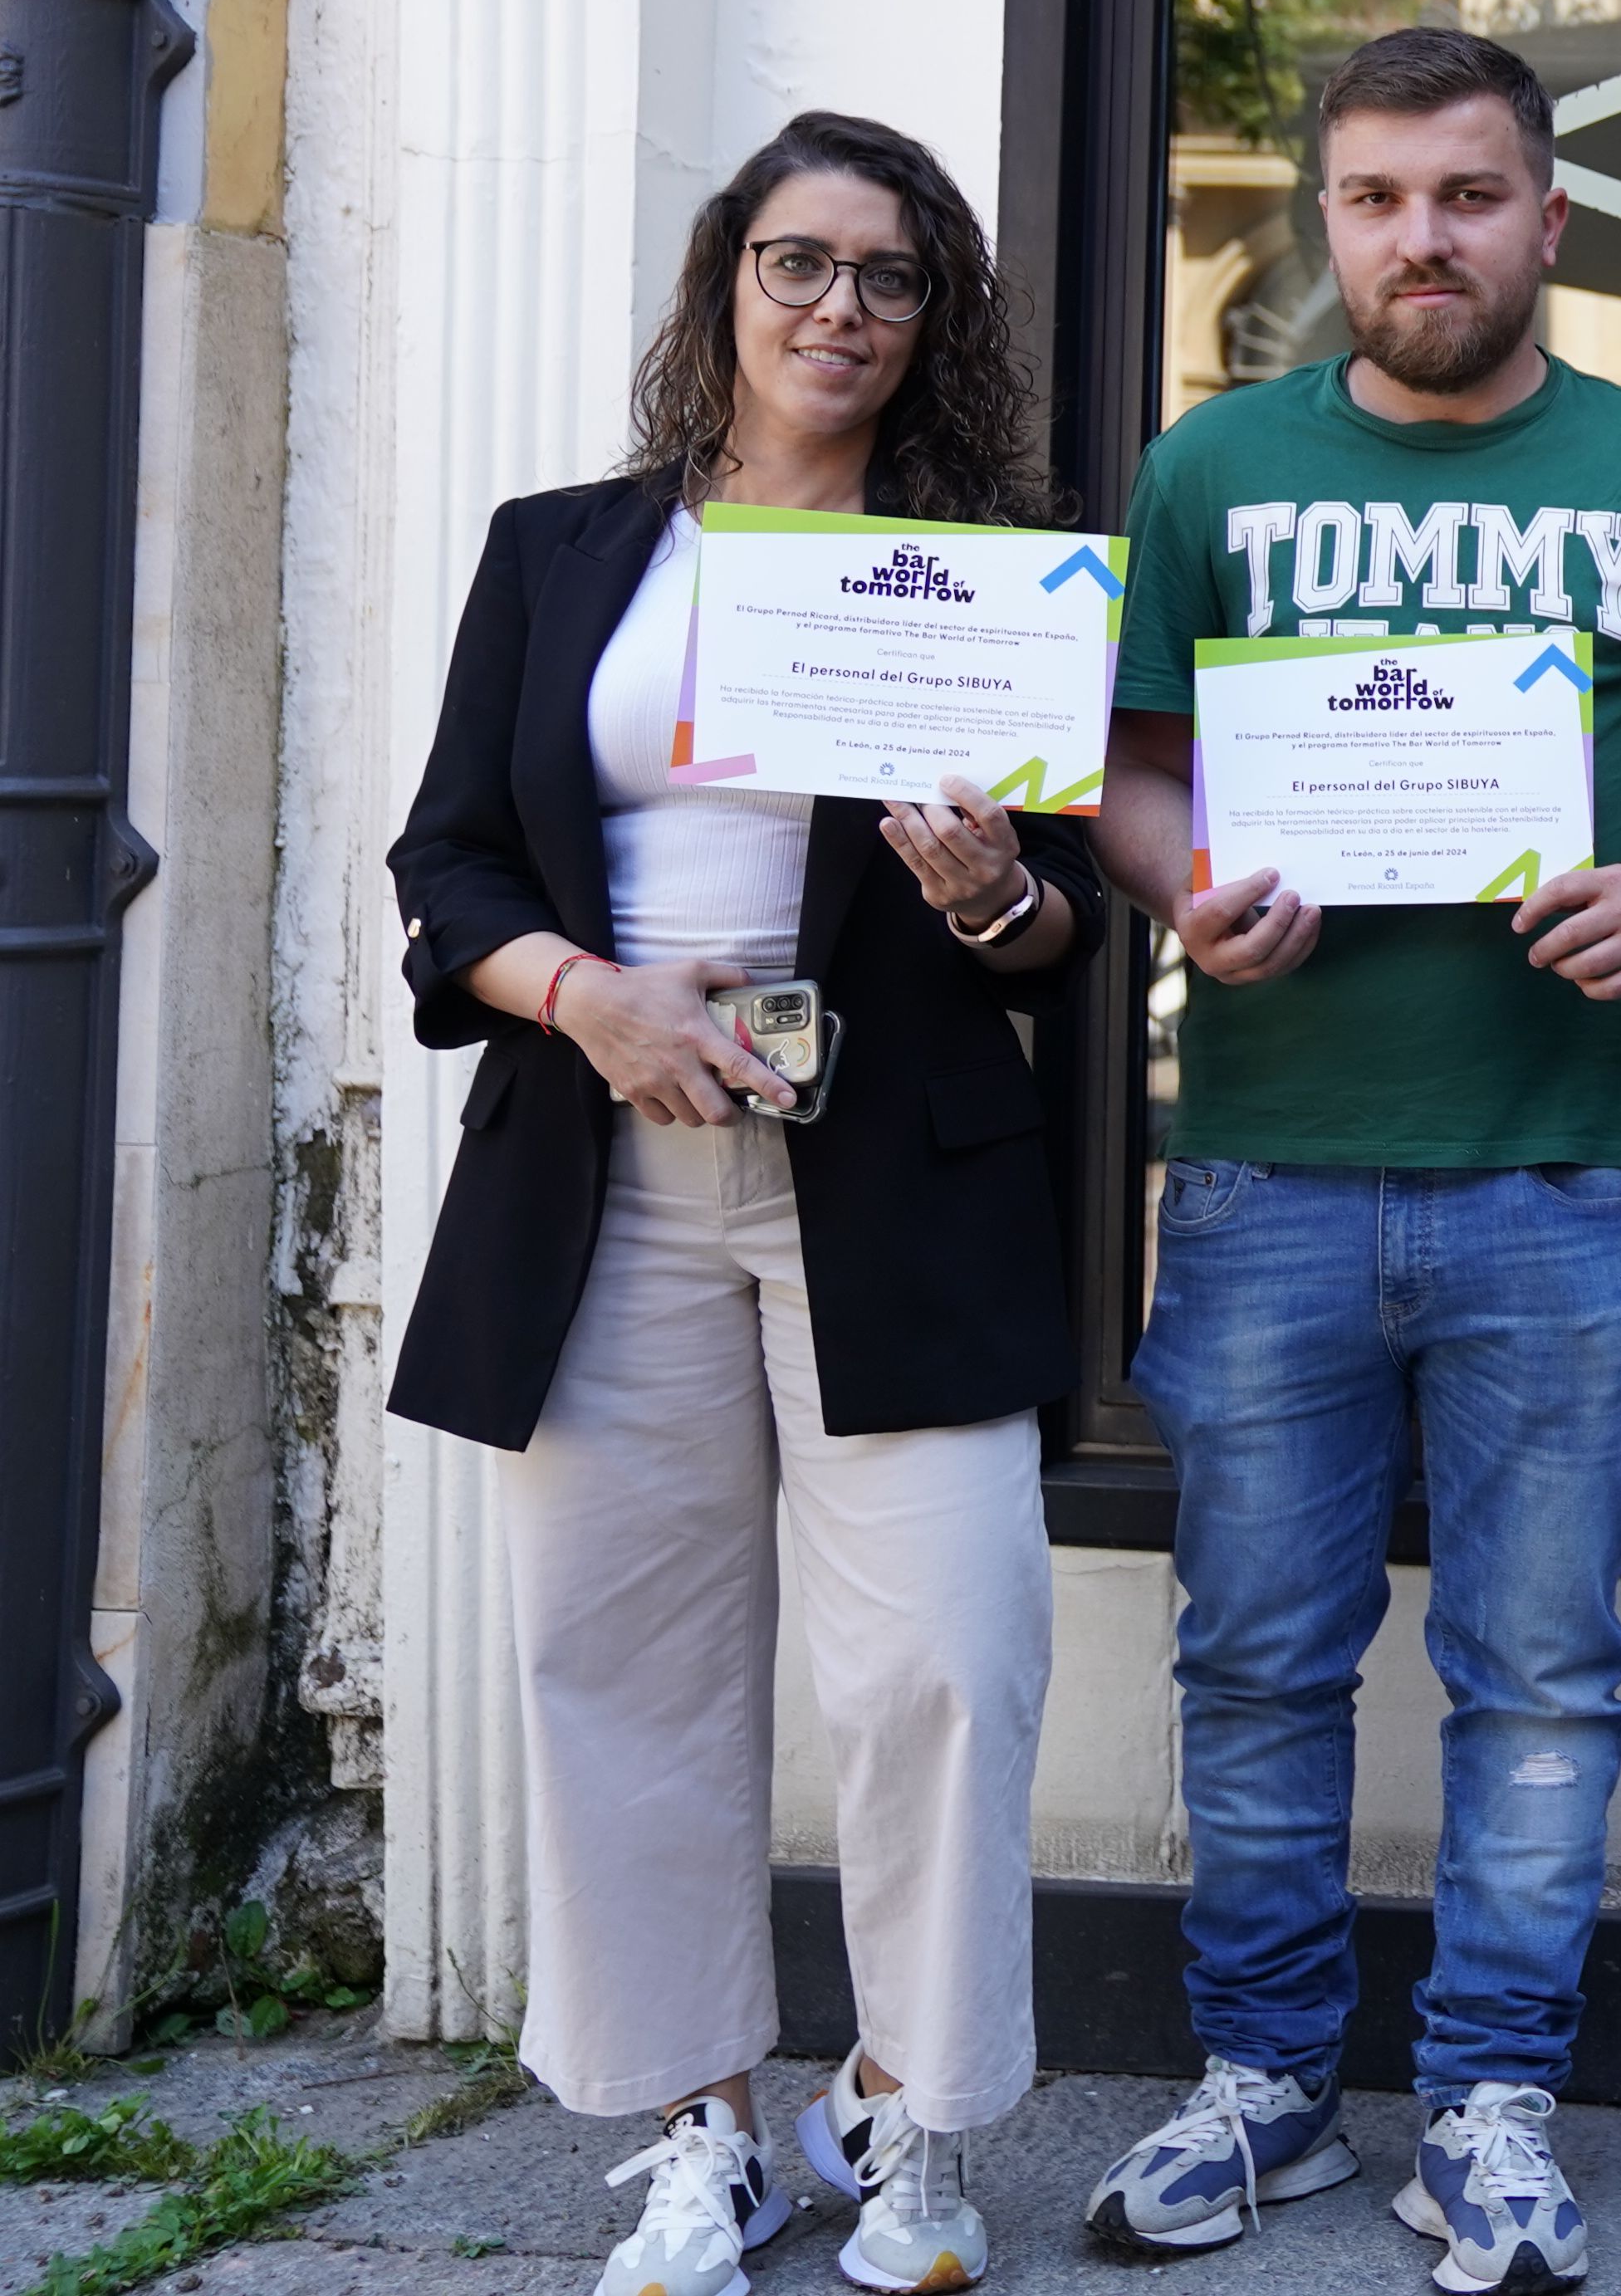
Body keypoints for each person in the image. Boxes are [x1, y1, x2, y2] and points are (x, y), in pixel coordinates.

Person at [1080, 28, 1621, 2296]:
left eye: (1470, 196)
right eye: (1382, 198)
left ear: (1548, 220)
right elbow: (1121, 771)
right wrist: (1182, 884)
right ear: (1331, 220)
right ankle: (1265, 2084)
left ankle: (1493, 2101)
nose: (1425, 238)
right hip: (1269, 1167)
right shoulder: (1210, 466)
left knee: (1539, 1670)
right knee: (1255, 1659)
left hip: (1570, 1170)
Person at [388, 112, 1095, 2296]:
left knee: (949, 1668)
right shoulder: (562, 551)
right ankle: (708, 2126)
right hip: (600, 1182)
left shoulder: (991, 574)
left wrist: (996, 903)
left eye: (891, 281)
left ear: (933, 323)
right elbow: (448, 878)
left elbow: (1073, 933)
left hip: (892, 1186)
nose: (840, 313)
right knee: (623, 1663)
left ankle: (915, 2120)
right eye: (800, 265)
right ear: (724, 286)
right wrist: (589, 1000)